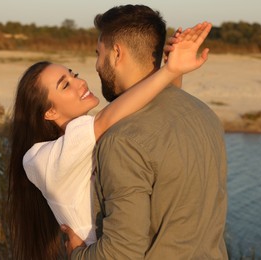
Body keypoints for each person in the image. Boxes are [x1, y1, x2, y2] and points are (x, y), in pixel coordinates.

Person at [7, 15, 214, 260]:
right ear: (49, 112)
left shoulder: (94, 138)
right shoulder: (41, 159)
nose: (80, 82)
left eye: (73, 74)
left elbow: (151, 120)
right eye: (65, 85)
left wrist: (171, 69)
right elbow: (112, 119)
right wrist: (169, 71)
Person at [62, 4, 228, 259]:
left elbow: (122, 253)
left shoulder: (122, 140)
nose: (96, 65)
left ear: (117, 53)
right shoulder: (203, 114)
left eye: (98, 53)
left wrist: (75, 253)